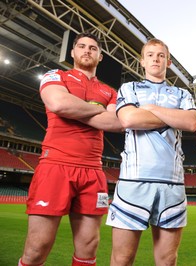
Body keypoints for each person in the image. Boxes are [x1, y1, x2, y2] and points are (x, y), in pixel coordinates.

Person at [19, 32, 123, 266]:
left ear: (100, 56)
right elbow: (58, 103)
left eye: (93, 48)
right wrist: (99, 110)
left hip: (93, 170)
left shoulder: (111, 92)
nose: (87, 50)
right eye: (82, 46)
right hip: (55, 165)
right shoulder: (55, 76)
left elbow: (116, 123)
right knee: (37, 248)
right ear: (73, 52)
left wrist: (75, 110)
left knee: (89, 246)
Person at [106, 38, 196, 266]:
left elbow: (191, 122)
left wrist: (150, 110)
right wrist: (171, 116)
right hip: (132, 182)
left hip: (172, 183)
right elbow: (128, 118)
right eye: (150, 55)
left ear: (168, 62)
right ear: (142, 61)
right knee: (122, 258)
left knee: (167, 260)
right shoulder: (129, 88)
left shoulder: (182, 94)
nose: (155, 59)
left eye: (160, 55)